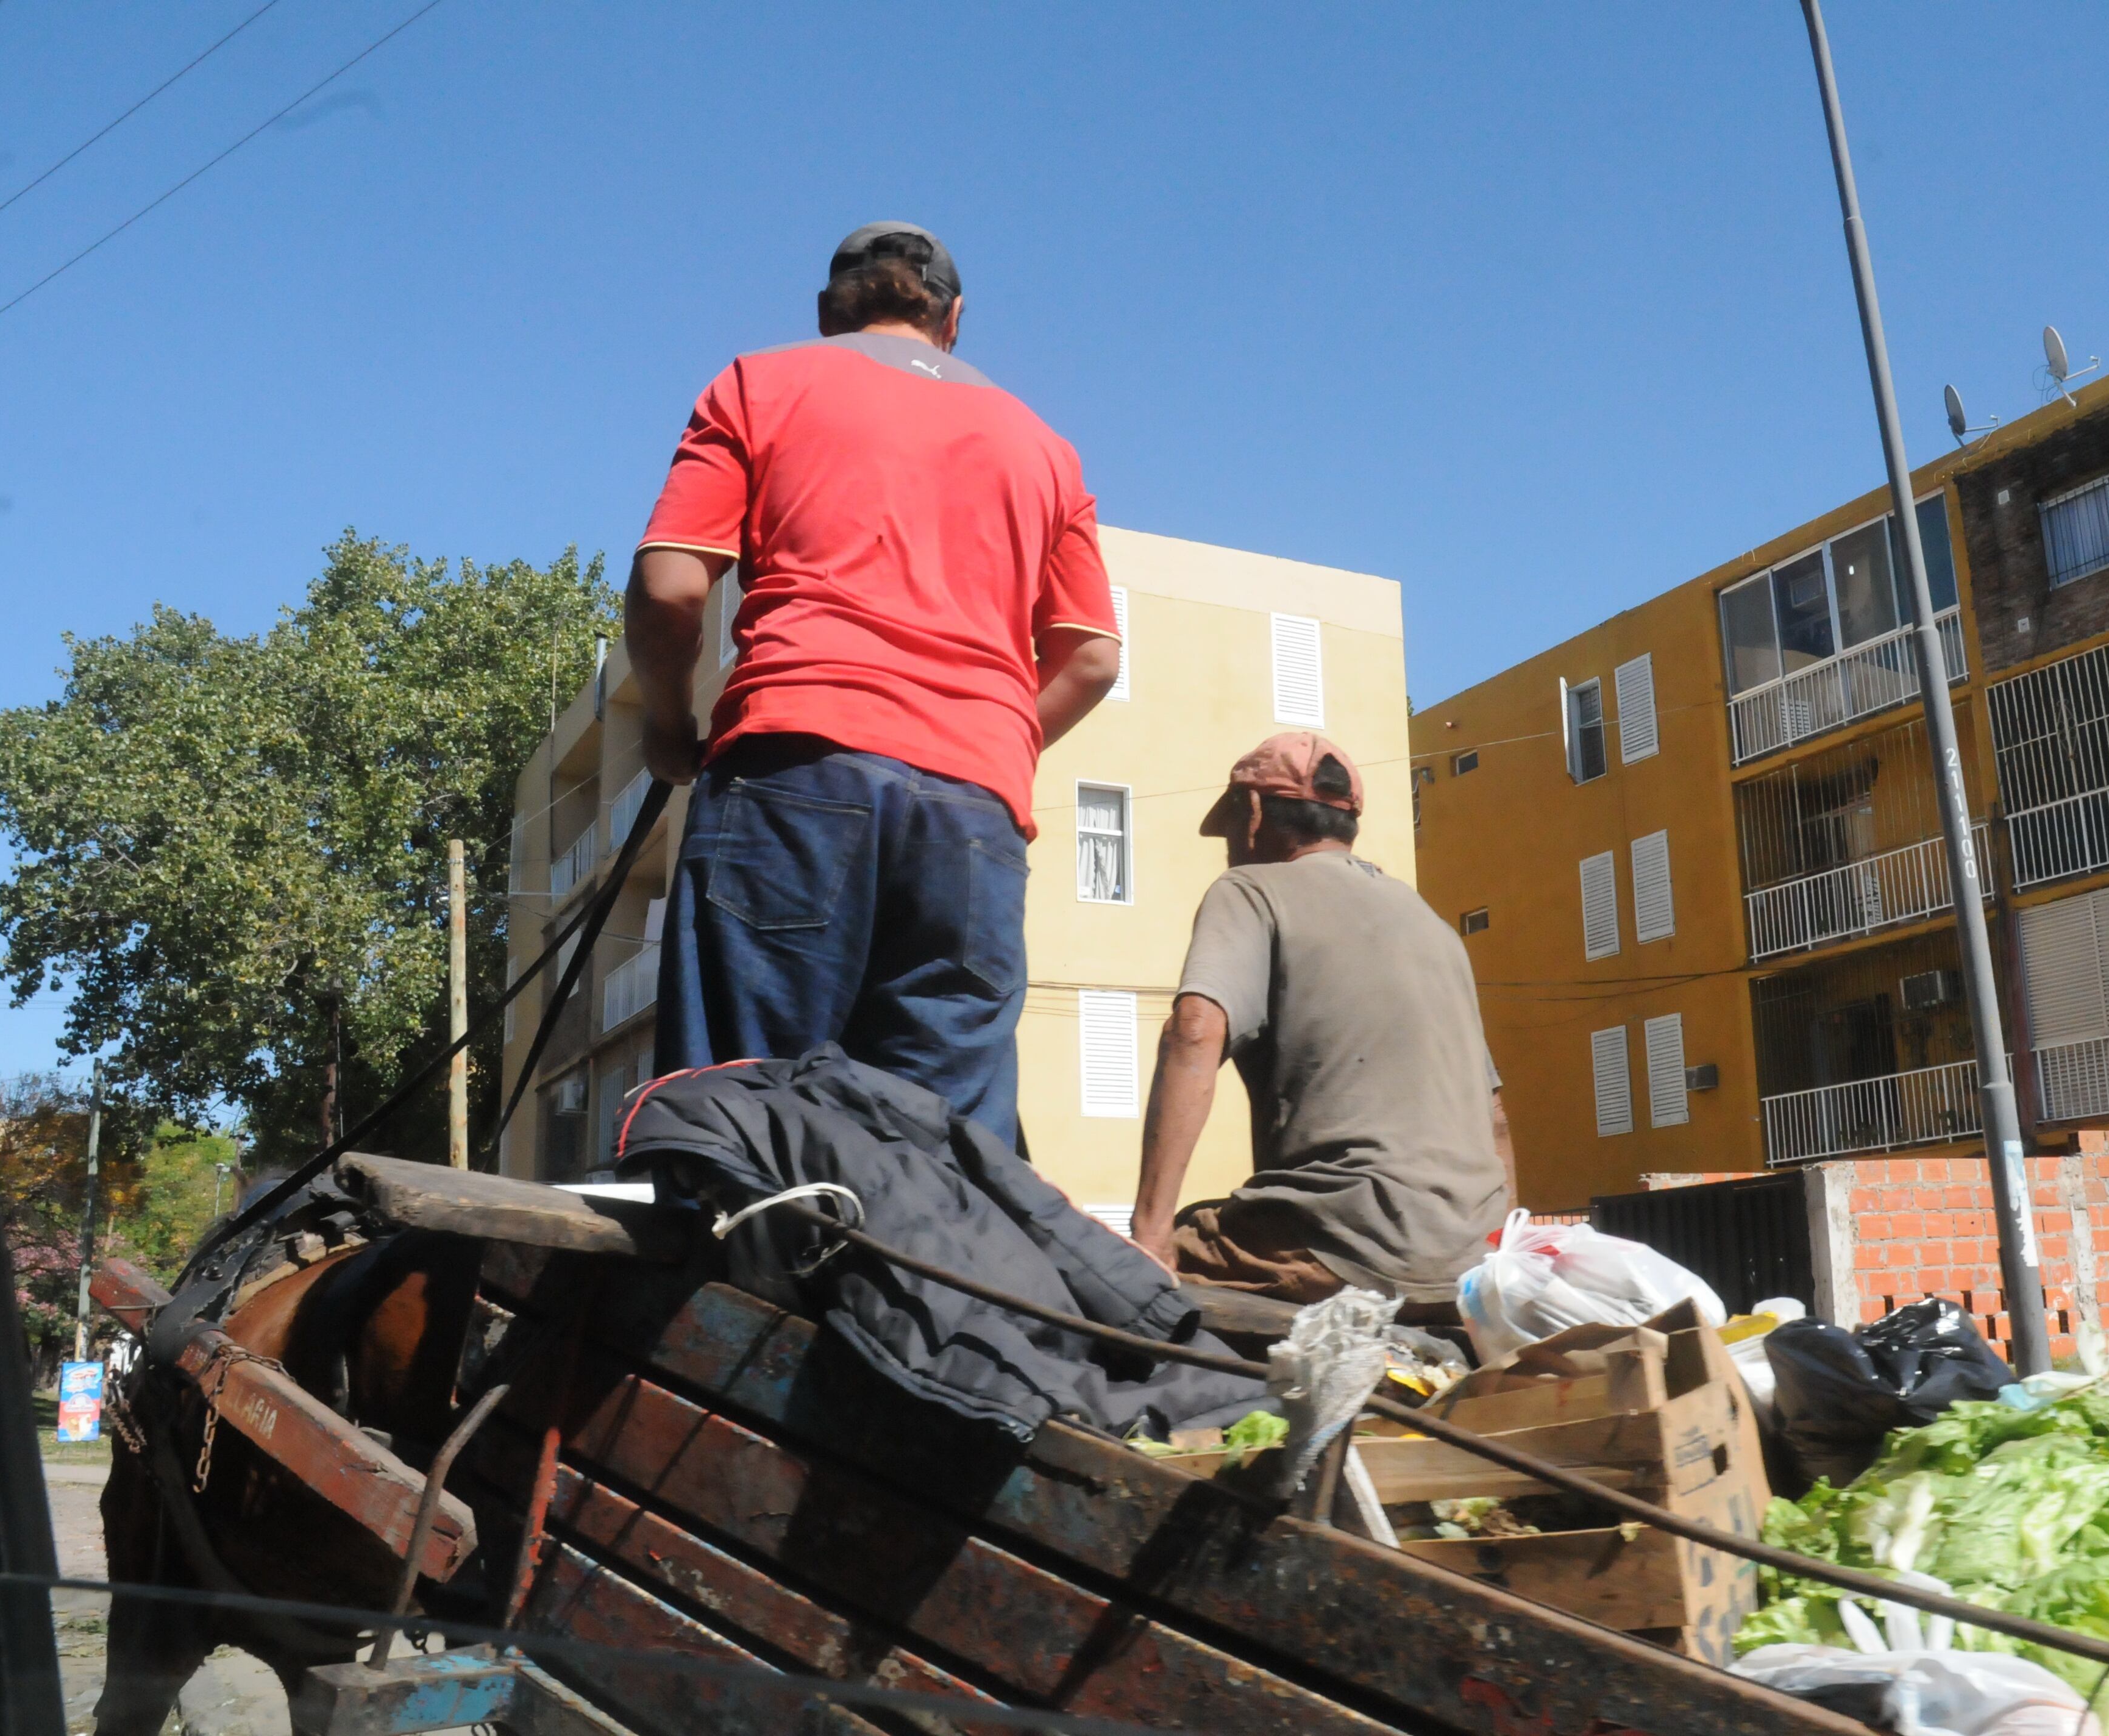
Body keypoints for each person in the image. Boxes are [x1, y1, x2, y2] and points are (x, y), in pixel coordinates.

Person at [625, 222, 1122, 1142]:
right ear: (954, 318)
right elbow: (1090, 658)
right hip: (974, 817)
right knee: (940, 1155)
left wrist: (665, 727)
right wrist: (990, 742)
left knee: (750, 1128)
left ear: (830, 311)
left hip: (796, 768)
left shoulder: (759, 383)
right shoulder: (1046, 450)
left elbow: (670, 587)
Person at [1128, 731, 1512, 1313]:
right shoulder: (1432, 924)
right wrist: (1503, 1266)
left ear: (1252, 813)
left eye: (1229, 828)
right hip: (1474, 1263)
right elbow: (1496, 1118)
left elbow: (1194, 1031)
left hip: (1341, 1243)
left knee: (1114, 1271)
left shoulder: (1251, 889)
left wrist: (1150, 1236)